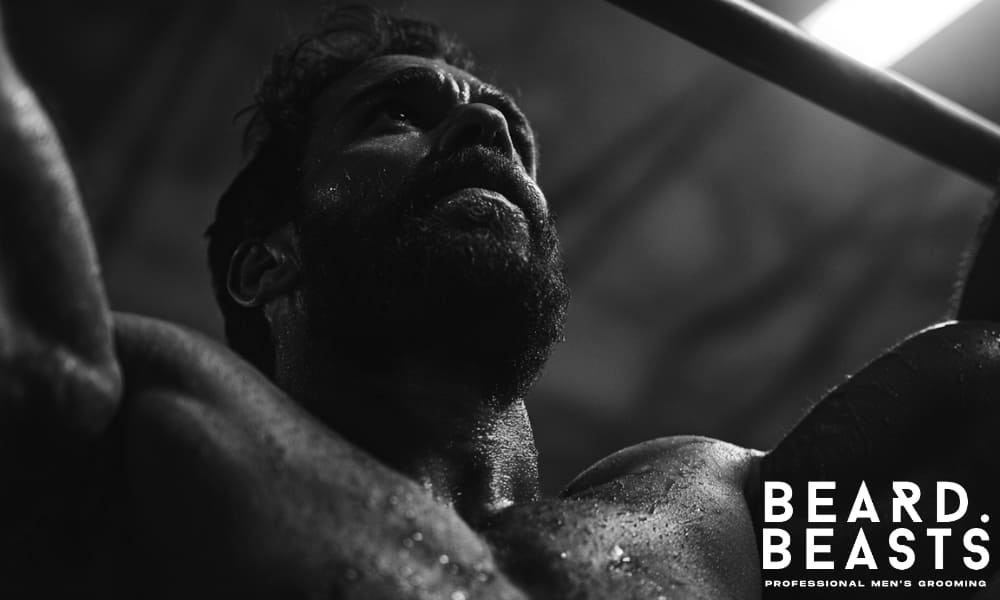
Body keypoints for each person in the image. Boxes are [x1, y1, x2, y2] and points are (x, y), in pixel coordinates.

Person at [0, 4, 996, 599]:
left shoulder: (727, 522)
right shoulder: (147, 433)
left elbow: (978, 418)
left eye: (512, 136)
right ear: (266, 265)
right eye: (397, 115)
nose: (483, 135)